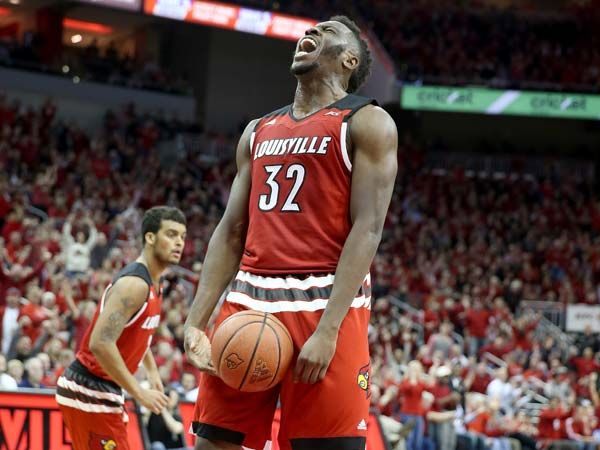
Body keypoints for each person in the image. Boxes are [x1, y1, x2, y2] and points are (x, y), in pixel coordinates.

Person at [183, 14, 398, 450]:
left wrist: (329, 329)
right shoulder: (258, 130)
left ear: (349, 60)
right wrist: (195, 322)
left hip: (322, 302)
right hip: (248, 300)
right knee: (213, 444)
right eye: (311, 29)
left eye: (328, 32)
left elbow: (368, 228)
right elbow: (231, 229)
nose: (312, 32)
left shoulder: (367, 122)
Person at [55, 206, 187, 450]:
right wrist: (139, 392)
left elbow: (138, 334)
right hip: (90, 388)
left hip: (103, 388)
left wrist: (152, 372)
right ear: (150, 237)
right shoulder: (134, 285)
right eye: (171, 234)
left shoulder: (154, 283)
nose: (179, 242)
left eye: (182, 236)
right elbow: (100, 343)